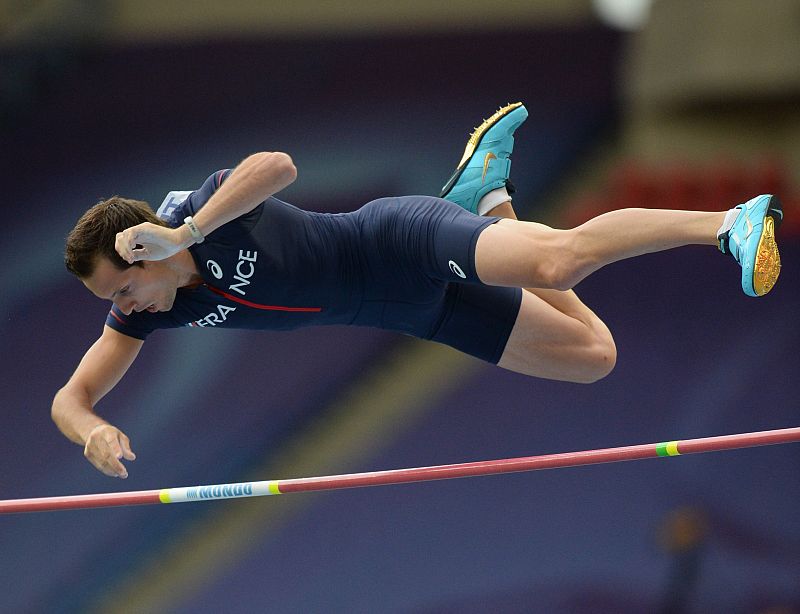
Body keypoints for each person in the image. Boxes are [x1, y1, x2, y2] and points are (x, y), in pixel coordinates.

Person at [52, 103, 783, 480]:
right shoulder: (146, 315)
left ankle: (726, 221)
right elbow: (71, 399)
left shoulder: (204, 217)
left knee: (559, 265)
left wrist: (188, 233)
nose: (125, 303)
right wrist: (94, 431)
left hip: (403, 240)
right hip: (417, 313)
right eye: (111, 299)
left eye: (124, 284)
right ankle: (487, 195)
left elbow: (276, 165)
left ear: (142, 245)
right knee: (594, 356)